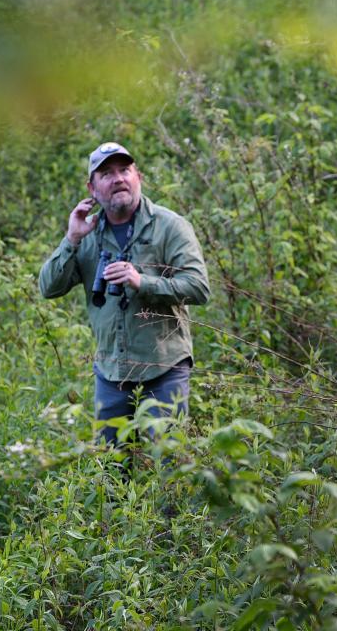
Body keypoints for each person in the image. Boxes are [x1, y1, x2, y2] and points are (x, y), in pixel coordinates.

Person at [40, 142, 210, 453]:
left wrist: (142, 281)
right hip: (111, 373)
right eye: (107, 173)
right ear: (92, 188)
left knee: (171, 467)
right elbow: (48, 288)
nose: (118, 178)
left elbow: (198, 287)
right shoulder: (87, 234)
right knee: (112, 472)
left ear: (138, 177)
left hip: (164, 368)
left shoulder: (169, 226)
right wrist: (72, 238)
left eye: (124, 170)